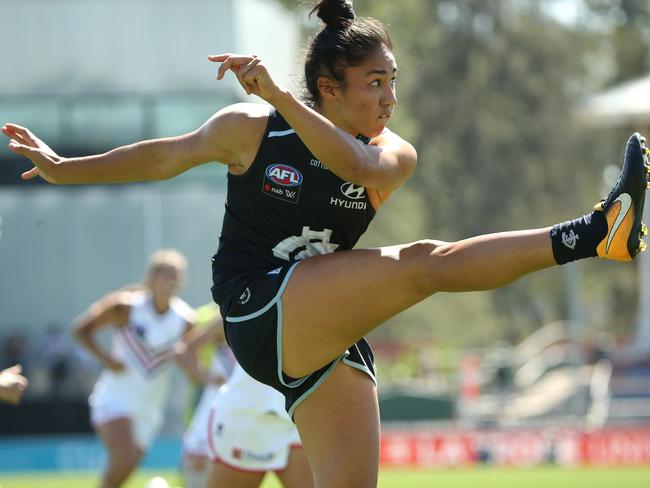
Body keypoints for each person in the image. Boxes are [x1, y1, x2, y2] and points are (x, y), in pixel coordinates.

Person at [2, 0, 649, 485]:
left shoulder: (391, 154)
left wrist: (282, 95)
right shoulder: (250, 130)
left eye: (393, 80)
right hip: (257, 308)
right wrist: (66, 167)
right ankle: (596, 233)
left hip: (321, 334)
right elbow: (162, 159)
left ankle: (604, 233)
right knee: (424, 265)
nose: (391, 98)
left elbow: (355, 169)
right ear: (329, 88)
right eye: (375, 83)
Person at [72, 249, 201, 488]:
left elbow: (192, 363)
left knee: (120, 475)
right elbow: (80, 330)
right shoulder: (126, 307)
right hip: (114, 399)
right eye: (167, 275)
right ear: (152, 277)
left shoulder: (185, 319)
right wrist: (107, 360)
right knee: (123, 459)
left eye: (179, 276)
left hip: (150, 410)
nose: (173, 281)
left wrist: (193, 370)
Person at [180, 307, 312, 488]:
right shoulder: (245, 307)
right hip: (246, 416)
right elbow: (185, 350)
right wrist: (206, 377)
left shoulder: (318, 305)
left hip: (295, 417)